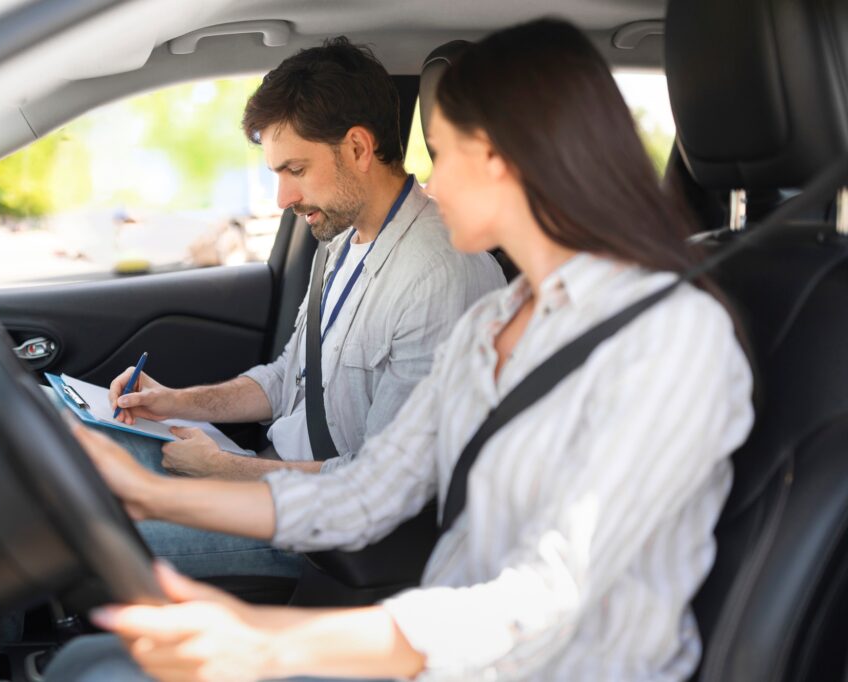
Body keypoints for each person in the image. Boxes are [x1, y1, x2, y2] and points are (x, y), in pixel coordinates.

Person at [47, 18, 754, 681]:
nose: (432, 183)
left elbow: (542, 597)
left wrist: (267, 640)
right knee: (90, 664)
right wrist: (150, 494)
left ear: (507, 159)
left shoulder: (670, 337)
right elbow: (368, 490)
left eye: (444, 156)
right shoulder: (498, 322)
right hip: (441, 654)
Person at [101, 37, 504, 579]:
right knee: (88, 465)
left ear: (359, 149)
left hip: (322, 539)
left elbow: (379, 482)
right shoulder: (341, 242)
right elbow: (287, 377)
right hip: (272, 482)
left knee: (96, 536)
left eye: (295, 169)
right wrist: (173, 402)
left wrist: (226, 469)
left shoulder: (439, 276)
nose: (282, 200)